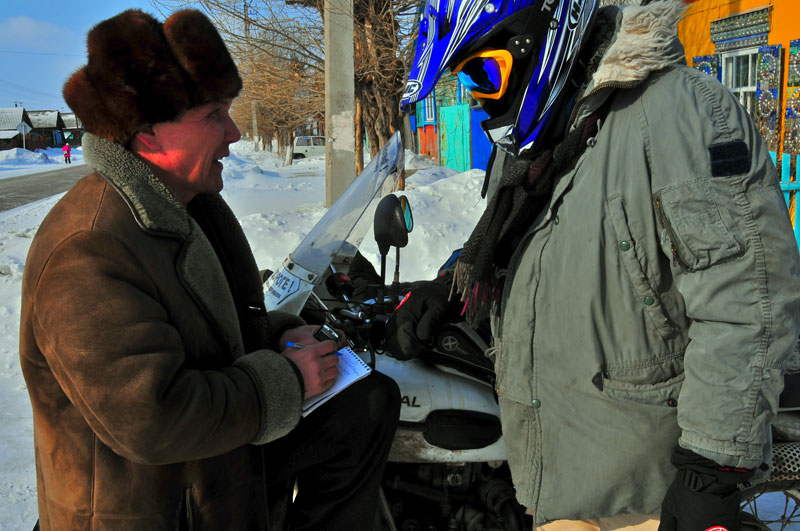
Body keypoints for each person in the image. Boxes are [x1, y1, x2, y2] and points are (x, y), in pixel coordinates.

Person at [393, 0, 800, 530]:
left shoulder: (677, 112)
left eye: (481, 71)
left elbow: (746, 301)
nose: (474, 95)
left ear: (539, 38)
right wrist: (451, 285)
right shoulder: (539, 140)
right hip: (554, 470)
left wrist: (712, 467)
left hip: (644, 490)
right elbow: (527, 245)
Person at [20, 9, 399, 531]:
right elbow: (150, 416)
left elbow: (207, 334)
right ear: (148, 134)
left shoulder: (186, 206)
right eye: (213, 115)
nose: (235, 132)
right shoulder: (88, 250)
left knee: (366, 406)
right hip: (152, 512)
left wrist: (282, 337)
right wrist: (285, 381)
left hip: (210, 480)